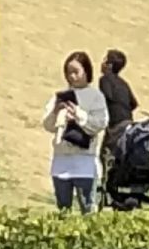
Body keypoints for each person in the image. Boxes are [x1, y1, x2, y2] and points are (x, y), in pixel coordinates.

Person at [45, 50, 108, 212]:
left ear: (86, 71)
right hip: (61, 160)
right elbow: (48, 125)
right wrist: (56, 112)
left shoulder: (96, 96)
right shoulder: (62, 96)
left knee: (88, 207)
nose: (72, 76)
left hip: (85, 161)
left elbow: (100, 123)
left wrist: (79, 115)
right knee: (63, 208)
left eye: (76, 72)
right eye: (68, 72)